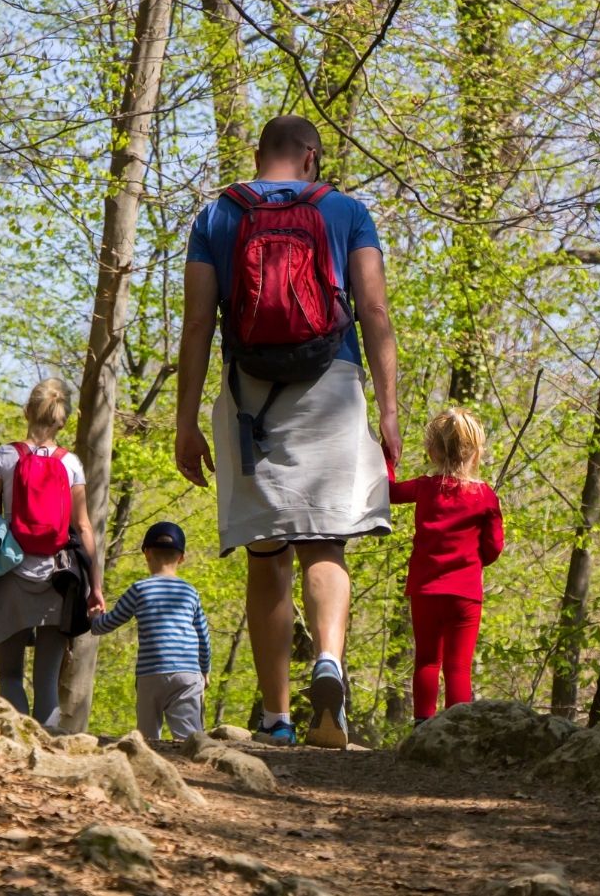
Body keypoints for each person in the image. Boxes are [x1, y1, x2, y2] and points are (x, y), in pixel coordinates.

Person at [175, 115, 400, 748]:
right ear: (311, 157)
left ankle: (276, 718)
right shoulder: (346, 211)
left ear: (258, 154)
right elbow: (374, 309)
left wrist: (186, 421)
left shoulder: (219, 215)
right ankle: (328, 661)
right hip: (332, 384)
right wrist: (388, 411)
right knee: (326, 544)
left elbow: (197, 324)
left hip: (253, 398)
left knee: (266, 555)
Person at [0, 378, 104, 727]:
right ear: (63, 420)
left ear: (27, 411)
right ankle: (49, 754)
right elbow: (84, 527)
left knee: (11, 676)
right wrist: (96, 587)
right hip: (59, 581)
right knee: (46, 681)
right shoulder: (71, 463)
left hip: (9, 577)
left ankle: (20, 753)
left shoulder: (4, 457)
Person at [385, 408, 504, 724]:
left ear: (433, 450)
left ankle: (423, 723)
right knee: (458, 666)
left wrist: (387, 458)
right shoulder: (485, 496)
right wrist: (474, 560)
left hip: (426, 590)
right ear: (476, 451)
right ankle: (456, 728)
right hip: (465, 595)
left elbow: (389, 492)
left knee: (426, 661)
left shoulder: (425, 487)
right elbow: (494, 549)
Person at [90, 521, 210, 740]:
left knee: (147, 739)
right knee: (190, 739)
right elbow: (203, 636)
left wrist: (95, 618)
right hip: (187, 673)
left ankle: (148, 769)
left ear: (146, 554)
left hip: (150, 673)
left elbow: (107, 624)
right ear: (182, 557)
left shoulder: (139, 589)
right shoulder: (190, 592)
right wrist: (205, 670)